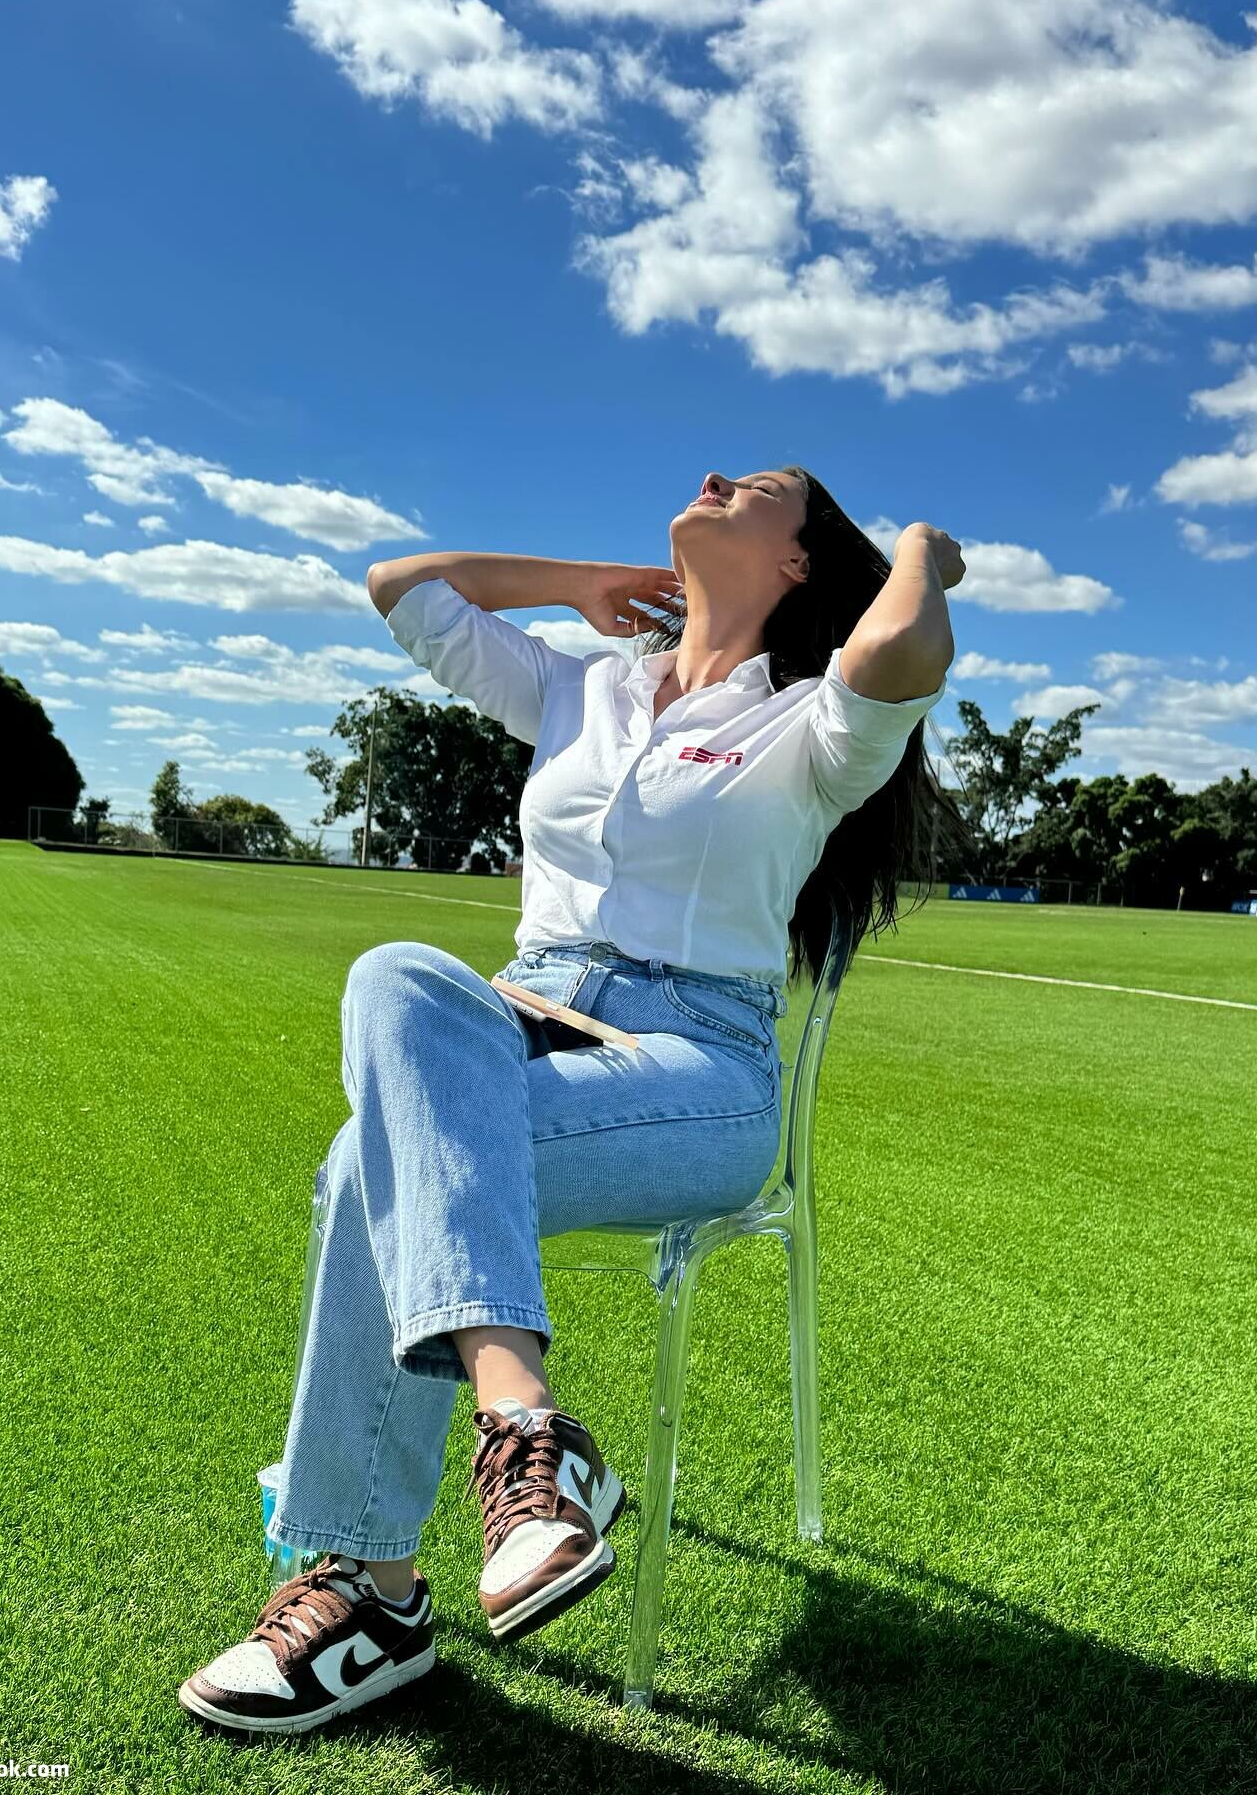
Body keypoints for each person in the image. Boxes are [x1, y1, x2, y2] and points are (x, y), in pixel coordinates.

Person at [178, 468, 963, 1735]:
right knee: (398, 974)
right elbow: (401, 586)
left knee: (373, 1162)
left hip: (696, 1063)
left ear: (800, 563)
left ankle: (370, 1594)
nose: (713, 480)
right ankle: (528, 1428)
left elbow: (904, 645)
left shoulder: (813, 723)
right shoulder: (581, 686)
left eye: (759, 489)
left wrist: (924, 543)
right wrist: (580, 586)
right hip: (518, 1017)